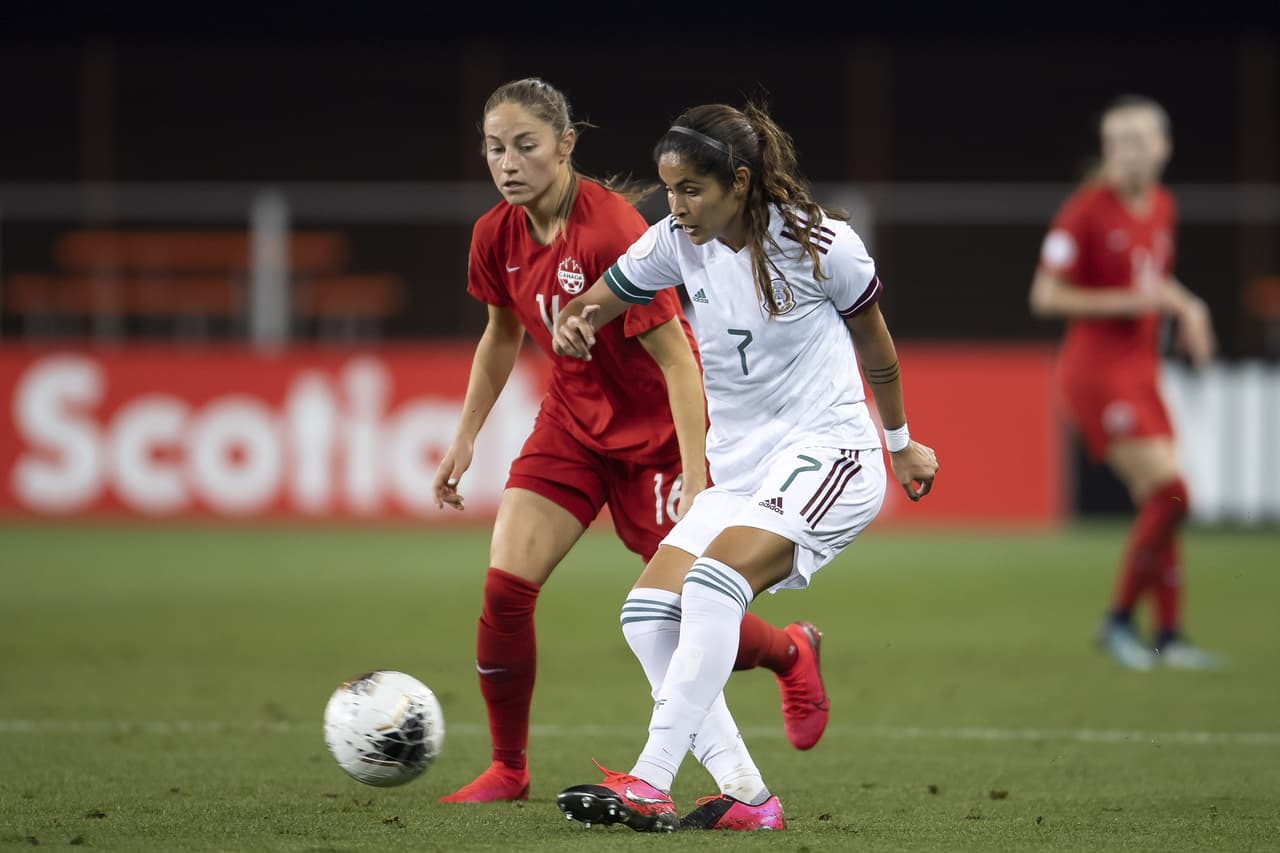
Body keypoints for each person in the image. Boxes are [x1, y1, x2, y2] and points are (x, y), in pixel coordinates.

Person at [434, 78, 832, 805]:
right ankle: (508, 768)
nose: (508, 162)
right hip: (571, 426)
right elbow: (500, 335)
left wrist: (692, 473)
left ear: (565, 145)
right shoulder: (495, 233)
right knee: (505, 586)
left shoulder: (613, 230)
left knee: (678, 613)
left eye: (526, 146)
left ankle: (788, 649)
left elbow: (680, 360)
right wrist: (465, 438)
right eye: (495, 148)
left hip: (652, 439)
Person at [550, 100, 938, 832]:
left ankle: (650, 780)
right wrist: (580, 318)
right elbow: (604, 297)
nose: (676, 205)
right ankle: (748, 797)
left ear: (739, 181)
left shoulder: (824, 244)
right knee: (645, 615)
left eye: (691, 188)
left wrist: (901, 442)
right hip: (743, 471)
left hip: (831, 455)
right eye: (668, 189)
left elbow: (876, 348)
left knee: (712, 582)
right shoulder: (675, 240)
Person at [1029, 94, 1223, 672]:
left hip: (1142, 371)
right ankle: (1117, 622)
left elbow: (1154, 278)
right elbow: (1044, 296)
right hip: (1096, 374)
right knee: (1171, 492)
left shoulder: (1162, 205)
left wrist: (1189, 308)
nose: (1125, 154)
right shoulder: (1085, 211)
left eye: (1137, 141)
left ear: (1162, 148)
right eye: (1115, 143)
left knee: (1165, 503)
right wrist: (1126, 301)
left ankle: (1168, 634)